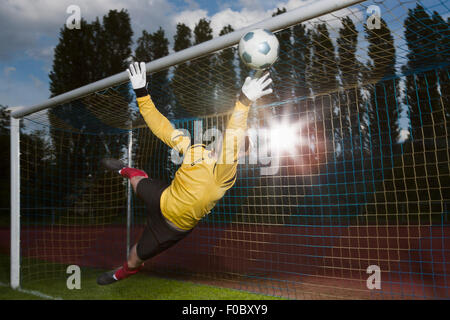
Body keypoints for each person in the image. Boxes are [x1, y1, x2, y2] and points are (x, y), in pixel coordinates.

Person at [97, 62, 272, 285]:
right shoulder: (193, 149)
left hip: (170, 228)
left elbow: (233, 140)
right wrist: (141, 92)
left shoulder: (224, 175)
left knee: (133, 259)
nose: (234, 144)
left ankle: (120, 273)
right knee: (136, 179)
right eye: (232, 139)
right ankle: (128, 170)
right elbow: (162, 128)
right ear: (220, 135)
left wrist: (243, 103)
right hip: (163, 196)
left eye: (240, 147)